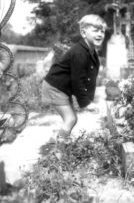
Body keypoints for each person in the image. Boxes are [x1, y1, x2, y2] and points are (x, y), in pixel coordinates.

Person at [41, 14, 106, 143]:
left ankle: (57, 138)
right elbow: (78, 81)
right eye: (95, 30)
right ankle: (59, 149)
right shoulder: (79, 53)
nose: (100, 34)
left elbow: (88, 77)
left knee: (71, 119)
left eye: (102, 31)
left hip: (61, 88)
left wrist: (88, 99)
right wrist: (87, 104)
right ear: (83, 33)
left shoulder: (90, 51)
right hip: (55, 87)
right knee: (70, 119)